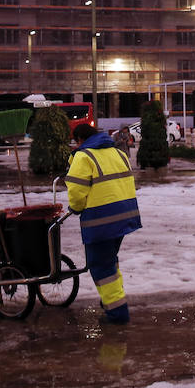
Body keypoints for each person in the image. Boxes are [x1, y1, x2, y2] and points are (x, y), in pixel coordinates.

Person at [64, 122, 141, 324]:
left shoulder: (84, 156)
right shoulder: (118, 153)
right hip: (124, 217)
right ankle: (111, 300)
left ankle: (117, 312)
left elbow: (76, 192)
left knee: (101, 266)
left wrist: (76, 208)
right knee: (109, 261)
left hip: (101, 220)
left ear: (80, 139)